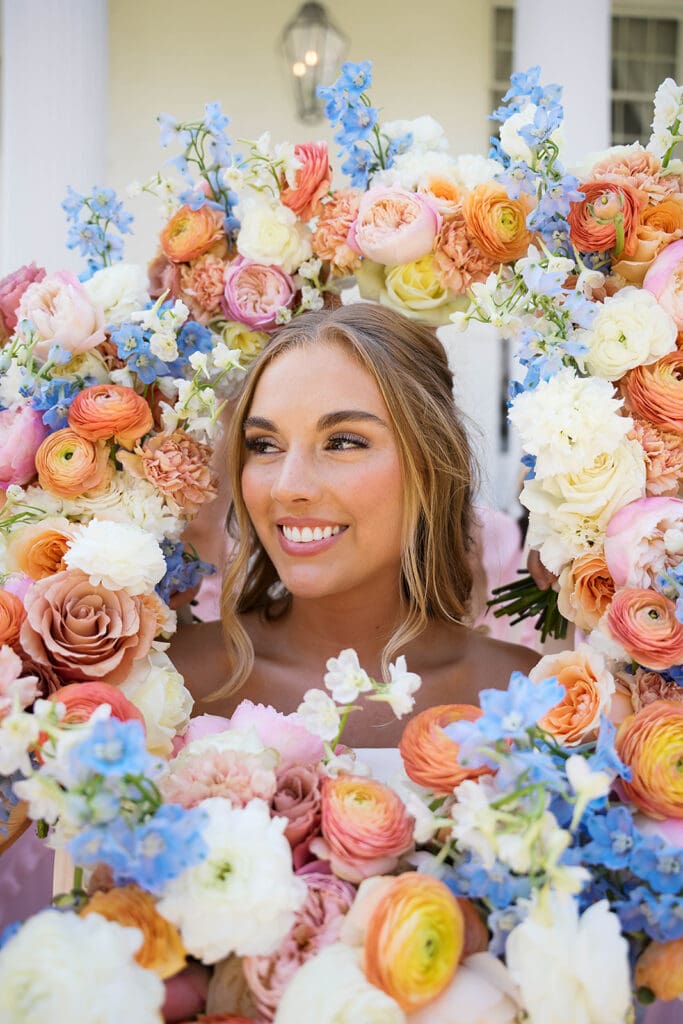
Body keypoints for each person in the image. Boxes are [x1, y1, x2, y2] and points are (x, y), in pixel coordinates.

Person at [171, 303, 537, 746]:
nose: (288, 488)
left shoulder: (530, 697)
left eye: (342, 442)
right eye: (265, 445)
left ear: (429, 465)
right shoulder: (168, 684)